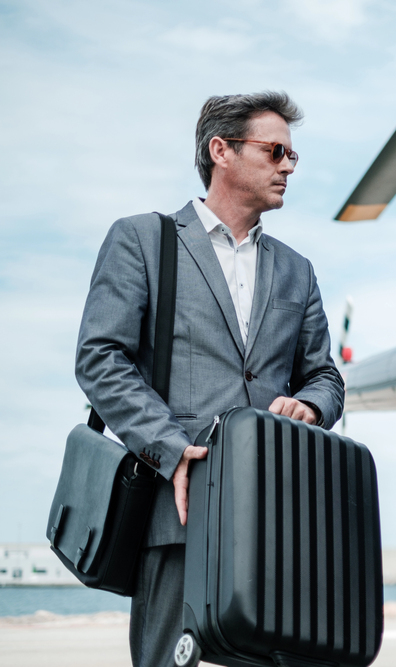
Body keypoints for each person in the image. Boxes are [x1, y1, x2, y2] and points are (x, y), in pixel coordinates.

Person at [75, 92, 344, 667]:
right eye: (275, 152)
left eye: (293, 156)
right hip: (178, 516)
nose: (288, 166)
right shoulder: (144, 241)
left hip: (278, 524)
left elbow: (324, 375)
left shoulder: (298, 269)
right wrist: (172, 452)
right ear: (221, 150)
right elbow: (100, 357)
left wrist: (312, 408)